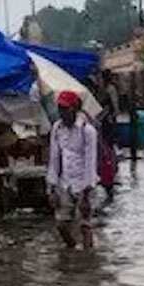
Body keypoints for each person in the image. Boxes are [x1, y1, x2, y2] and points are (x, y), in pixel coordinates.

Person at [46, 90, 99, 250]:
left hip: (84, 184)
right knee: (61, 225)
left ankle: (88, 259)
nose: (62, 112)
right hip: (65, 183)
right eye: (60, 108)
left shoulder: (88, 131)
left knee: (85, 226)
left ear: (74, 109)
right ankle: (73, 250)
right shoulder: (57, 128)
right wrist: (51, 187)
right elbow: (54, 158)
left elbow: (91, 162)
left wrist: (86, 192)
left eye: (65, 108)